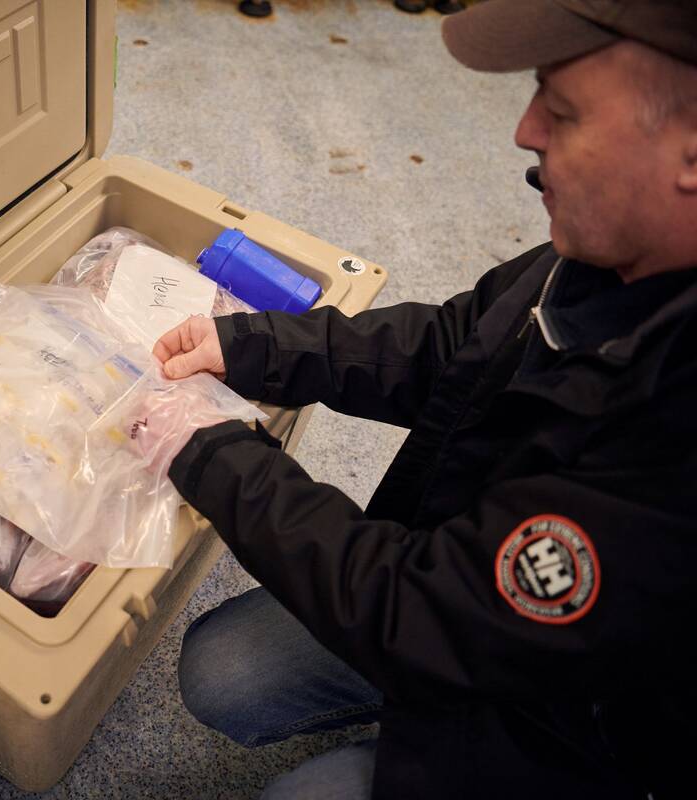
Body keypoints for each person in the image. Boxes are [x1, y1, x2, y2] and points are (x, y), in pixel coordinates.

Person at [152, 1, 697, 798]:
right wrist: (255, 348)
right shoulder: (606, 246)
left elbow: (420, 608)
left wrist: (210, 452)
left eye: (565, 109)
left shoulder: (673, 445)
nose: (525, 130)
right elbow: (455, 346)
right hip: (472, 600)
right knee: (225, 668)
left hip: (567, 738)